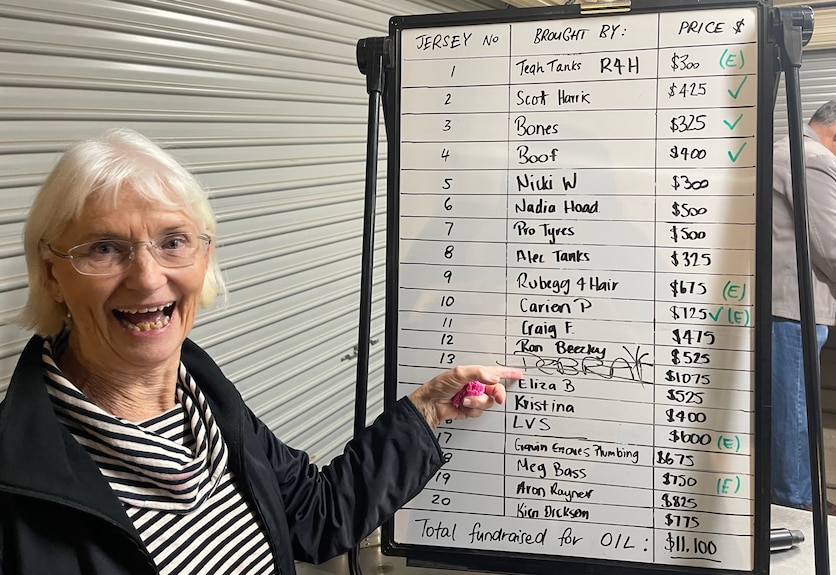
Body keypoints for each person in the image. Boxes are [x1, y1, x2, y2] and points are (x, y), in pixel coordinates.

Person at [0, 128, 522, 574]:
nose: (147, 277)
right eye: (104, 248)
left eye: (173, 241)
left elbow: (315, 516)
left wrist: (428, 408)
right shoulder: (18, 484)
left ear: (206, 253)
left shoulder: (200, 391)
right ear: (51, 274)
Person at [772, 97, 836, 519]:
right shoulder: (814, 158)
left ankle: (801, 494)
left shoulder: (787, 148)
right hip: (794, 307)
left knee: (794, 406)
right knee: (794, 409)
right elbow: (830, 242)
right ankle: (797, 503)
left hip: (788, 305)